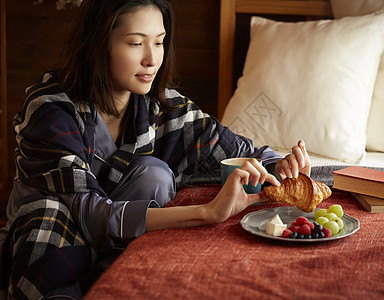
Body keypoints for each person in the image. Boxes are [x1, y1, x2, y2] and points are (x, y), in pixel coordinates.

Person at [0, 0, 311, 298]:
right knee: (47, 214)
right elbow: (91, 215)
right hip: (52, 240)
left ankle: (120, 276)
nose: (151, 59)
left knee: (155, 174)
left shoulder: (159, 105)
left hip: (115, 242)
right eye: (136, 43)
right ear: (99, 44)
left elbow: (236, 149)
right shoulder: (51, 109)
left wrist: (280, 166)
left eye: (159, 42)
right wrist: (206, 212)